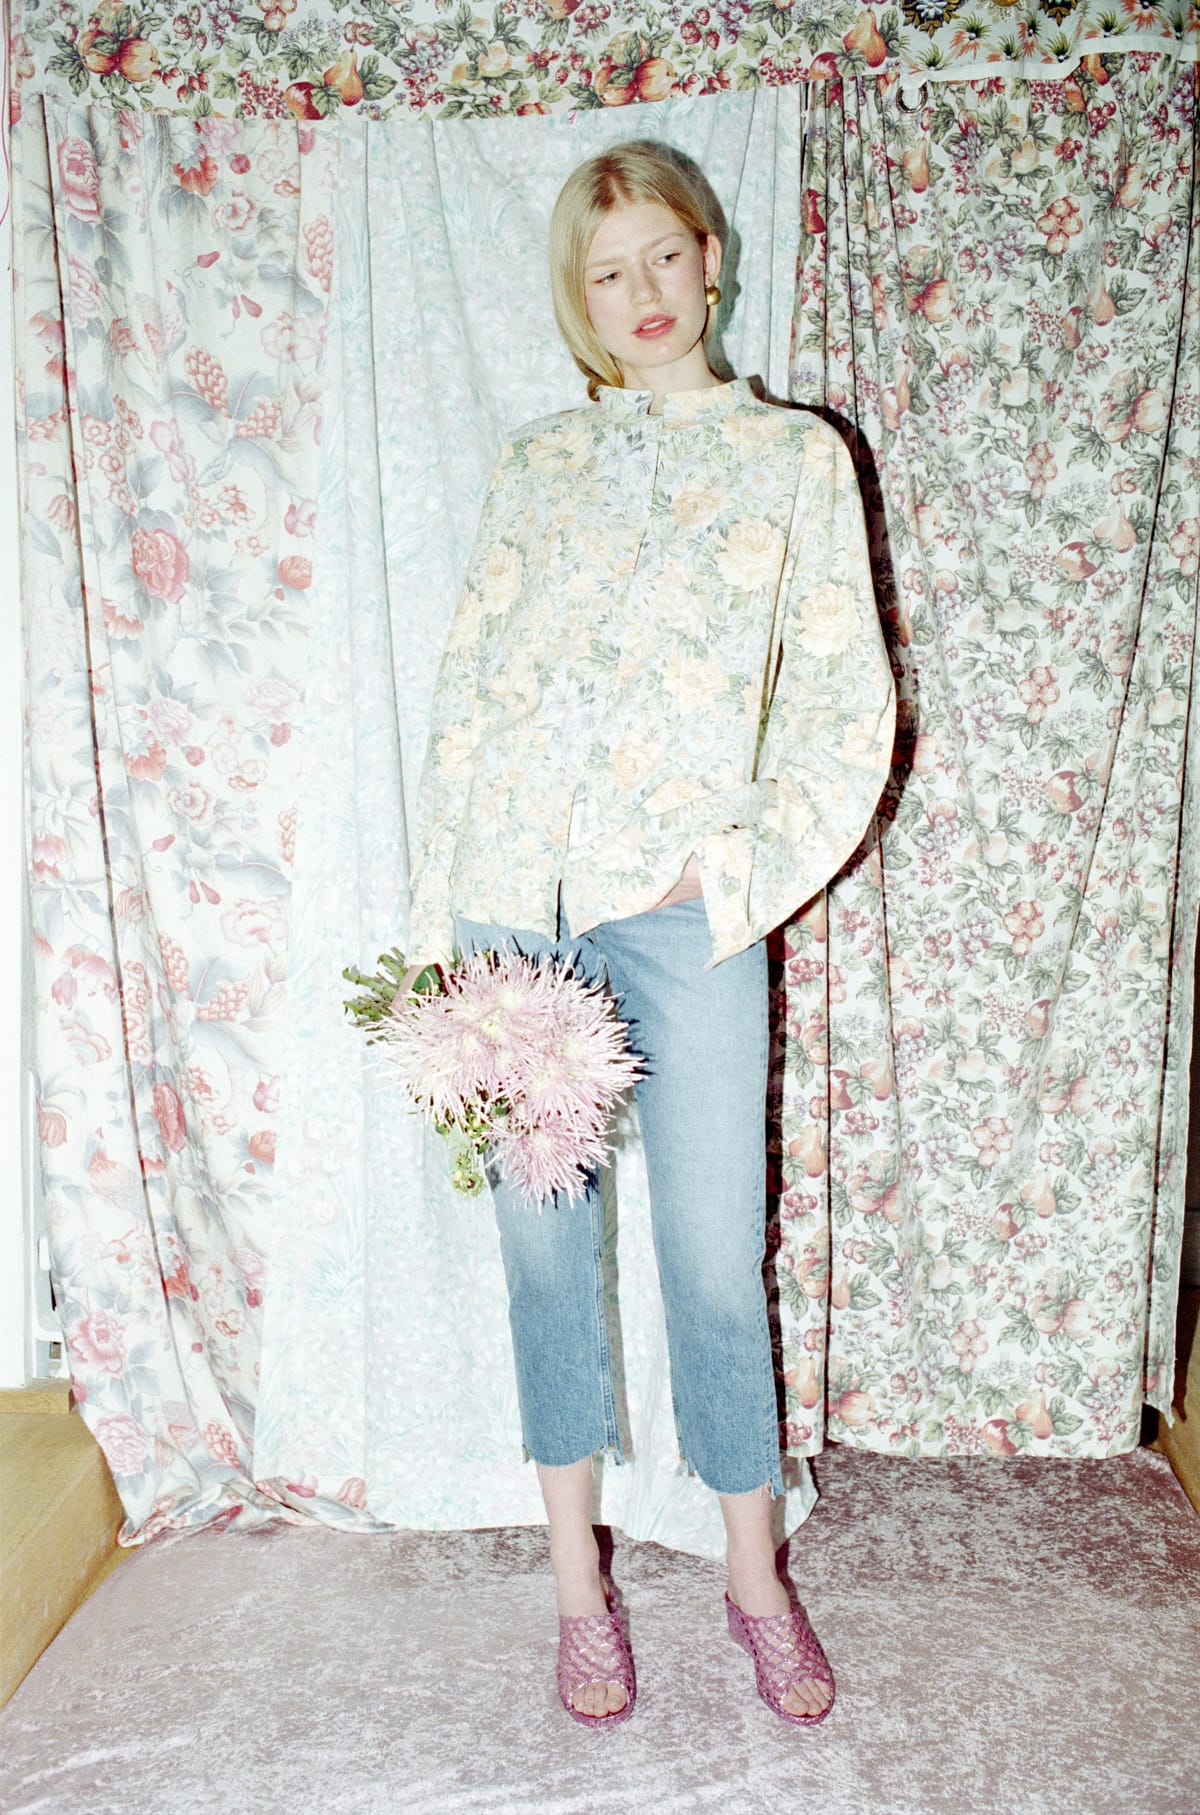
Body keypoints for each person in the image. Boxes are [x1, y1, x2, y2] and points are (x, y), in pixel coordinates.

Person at [404, 141, 896, 1729]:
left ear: (710, 256)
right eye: (605, 273)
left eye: (664, 257)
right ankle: (577, 1590)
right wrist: (443, 937)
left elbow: (844, 705)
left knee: (706, 1258)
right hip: (513, 911)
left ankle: (754, 1579)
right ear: (579, 297)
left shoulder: (793, 460)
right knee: (546, 1255)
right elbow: (473, 690)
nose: (643, 297)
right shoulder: (538, 465)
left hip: (685, 920)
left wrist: (731, 872)